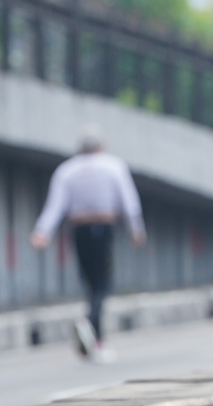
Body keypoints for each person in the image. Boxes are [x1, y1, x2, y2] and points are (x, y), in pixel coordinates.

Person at [31, 130, 145, 362]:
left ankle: (94, 336)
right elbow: (129, 201)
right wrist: (136, 229)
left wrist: (42, 231)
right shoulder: (113, 166)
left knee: (90, 282)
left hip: (79, 230)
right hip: (103, 228)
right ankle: (91, 326)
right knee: (102, 284)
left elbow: (56, 205)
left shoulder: (67, 170)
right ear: (102, 146)